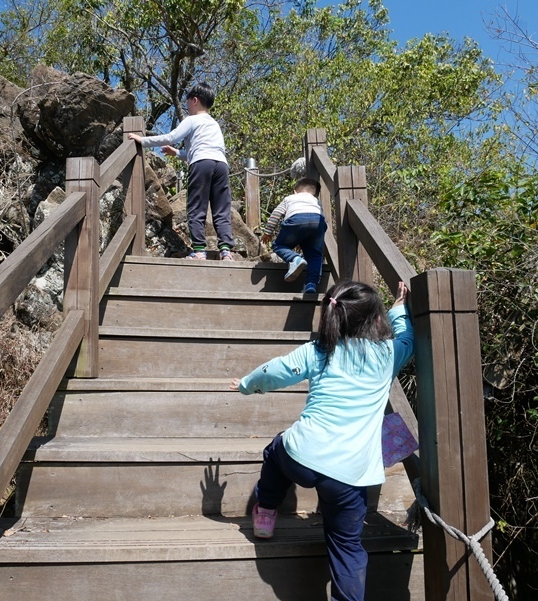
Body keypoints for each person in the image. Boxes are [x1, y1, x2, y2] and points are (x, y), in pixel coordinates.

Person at [229, 280, 414, 601]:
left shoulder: (320, 350)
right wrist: (400, 308)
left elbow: (276, 370)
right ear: (376, 320)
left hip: (302, 456)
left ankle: (266, 512)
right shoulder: (387, 354)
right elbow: (409, 339)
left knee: (275, 451)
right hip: (350, 475)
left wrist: (246, 384)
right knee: (348, 548)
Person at [128, 82, 234, 261]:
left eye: (187, 102)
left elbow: (172, 137)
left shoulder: (192, 120)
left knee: (196, 207)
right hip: (221, 165)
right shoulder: (214, 124)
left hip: (202, 165)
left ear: (194, 100)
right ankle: (226, 252)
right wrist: (176, 153)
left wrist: (142, 140)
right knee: (221, 209)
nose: (186, 106)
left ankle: (199, 252)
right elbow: (199, 151)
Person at [261, 177, 327, 294]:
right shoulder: (316, 202)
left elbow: (276, 214)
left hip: (296, 220)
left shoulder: (290, 198)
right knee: (315, 255)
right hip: (318, 224)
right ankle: (311, 285)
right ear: (315, 195)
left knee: (279, 245)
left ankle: (295, 259)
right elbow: (316, 222)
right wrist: (305, 239)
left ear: (295, 191)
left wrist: (268, 232)